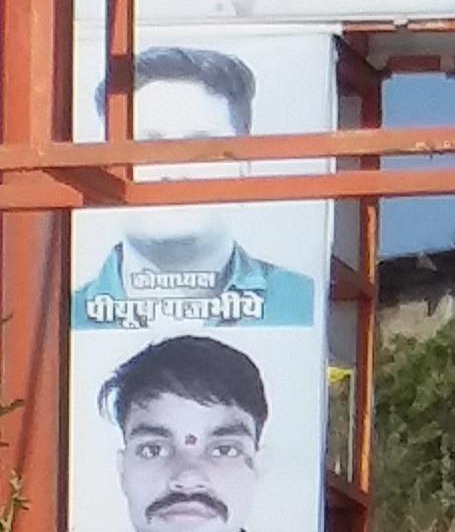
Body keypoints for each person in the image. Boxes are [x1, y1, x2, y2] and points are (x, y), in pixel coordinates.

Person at [64, 330, 311, 532]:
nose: (187, 478)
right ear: (123, 468)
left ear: (258, 466)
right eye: (154, 449)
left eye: (223, 449)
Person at [75, 45, 320, 333]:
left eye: (203, 149)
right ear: (106, 167)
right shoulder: (61, 318)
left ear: (245, 167)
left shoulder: (302, 303)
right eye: (147, 148)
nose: (174, 173)